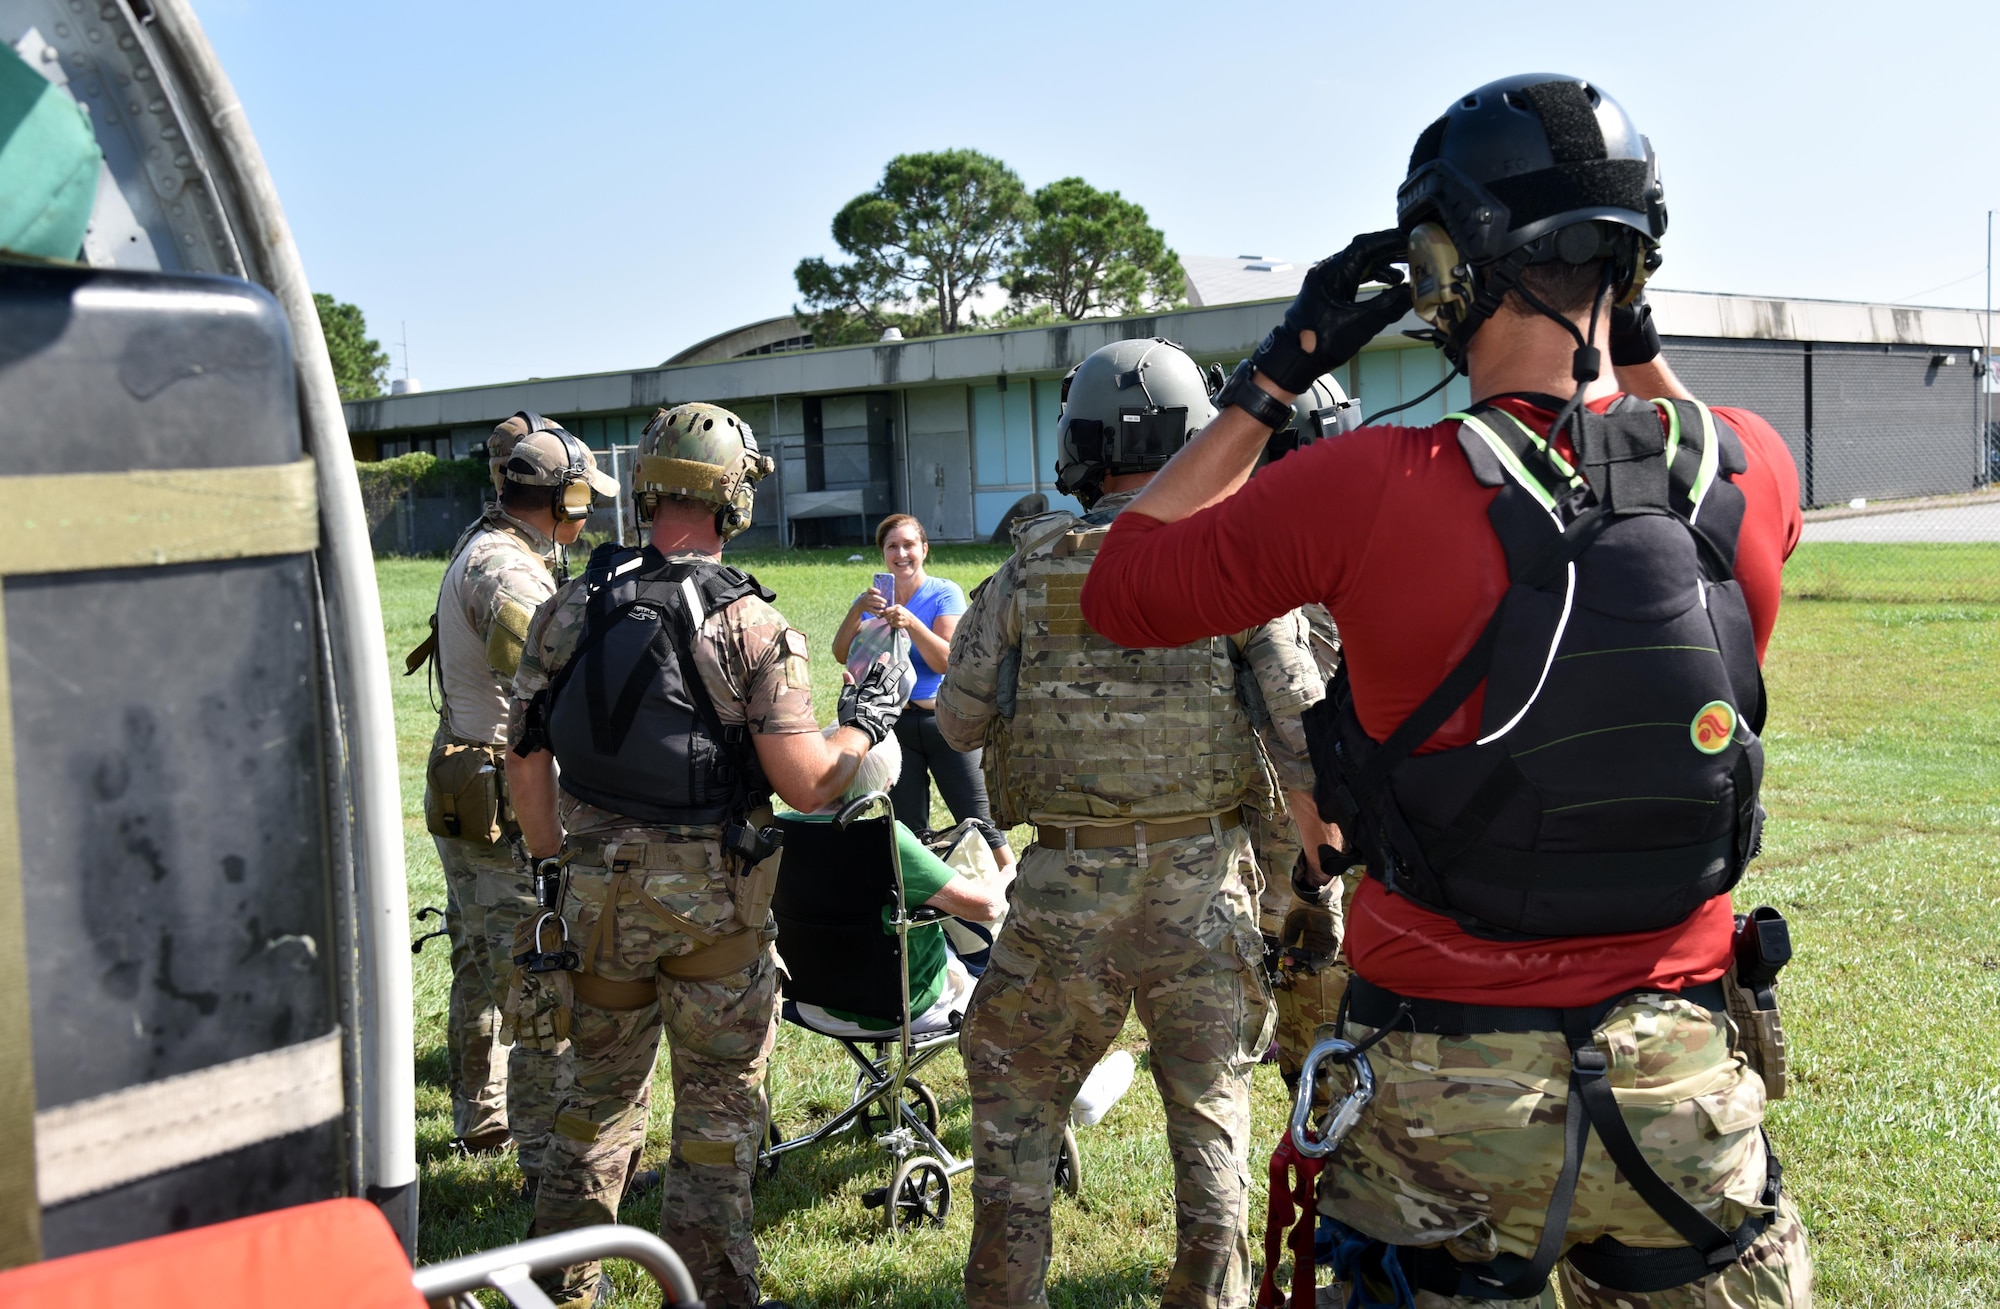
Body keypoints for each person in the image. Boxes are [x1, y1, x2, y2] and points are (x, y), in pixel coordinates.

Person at [1079, 75, 1811, 1307]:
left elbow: (1126, 582)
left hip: (1439, 1095)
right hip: (1683, 1077)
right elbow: (1683, 452)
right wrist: (1625, 334)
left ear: (1439, 269)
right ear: (1629, 270)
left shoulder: (1367, 486)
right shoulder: (1739, 466)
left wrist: (1279, 367)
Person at [937, 336, 1332, 1309]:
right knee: (1210, 1114)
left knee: (1014, 1086)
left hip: (1067, 888)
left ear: (1074, 448)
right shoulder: (1238, 563)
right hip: (1203, 886)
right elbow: (1301, 733)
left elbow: (953, 720)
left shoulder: (1029, 571)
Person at [504, 402, 906, 1309]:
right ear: (733, 498)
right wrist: (862, 724)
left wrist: (549, 866)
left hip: (597, 899)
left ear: (646, 488)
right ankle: (716, 1290)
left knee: (595, 1099)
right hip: (714, 916)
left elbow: (522, 749)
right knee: (720, 1113)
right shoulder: (752, 625)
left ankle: (559, 1287)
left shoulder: (570, 603)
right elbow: (806, 783)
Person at [408, 410, 615, 1188]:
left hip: (474, 780)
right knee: (534, 974)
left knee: (478, 958)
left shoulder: (496, 547)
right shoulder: (507, 570)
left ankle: (483, 1114)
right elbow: (544, 678)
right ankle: (545, 1160)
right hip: (497, 792)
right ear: (556, 496)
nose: (587, 511)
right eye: (581, 497)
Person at [785, 727, 1008, 1036]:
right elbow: (988, 907)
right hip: (903, 1006)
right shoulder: (888, 840)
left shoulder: (781, 828)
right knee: (987, 959)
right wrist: (1011, 872)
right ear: (887, 784)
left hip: (810, 1001)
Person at [834, 514, 1011, 868]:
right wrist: (856, 611)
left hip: (944, 723)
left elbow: (948, 660)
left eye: (909, 545)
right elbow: (842, 654)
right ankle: (921, 911)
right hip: (894, 727)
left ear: (924, 549)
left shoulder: (944, 593)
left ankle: (1014, 893)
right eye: (892, 546)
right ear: (883, 553)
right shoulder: (872, 600)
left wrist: (911, 623)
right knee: (907, 832)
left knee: (981, 824)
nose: (901, 553)